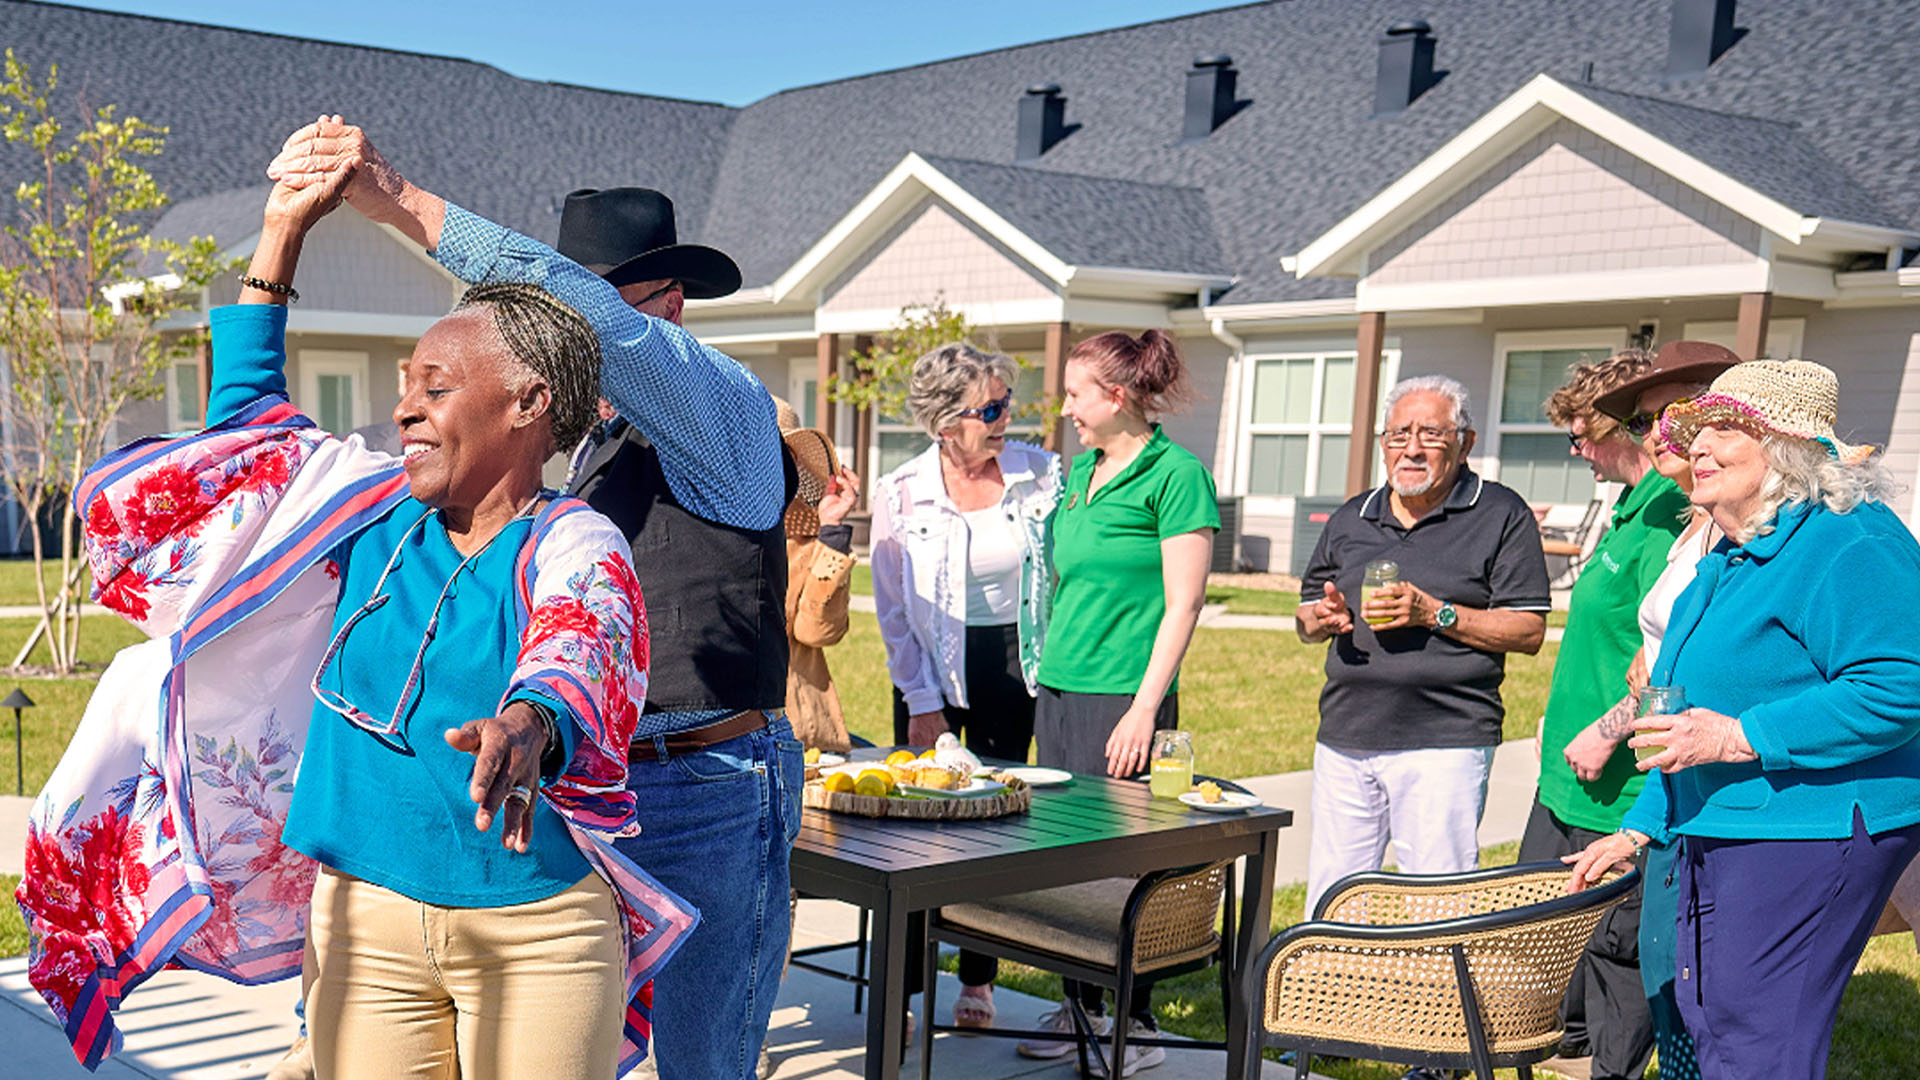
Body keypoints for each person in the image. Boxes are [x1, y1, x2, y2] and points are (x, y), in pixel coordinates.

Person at [20, 123, 696, 1078]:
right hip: (360, 923)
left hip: (536, 932)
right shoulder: (362, 518)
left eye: (436, 386)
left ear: (529, 403)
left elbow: (583, 639)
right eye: (402, 386)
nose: (405, 408)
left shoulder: (570, 541)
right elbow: (249, 436)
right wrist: (282, 229)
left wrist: (531, 725)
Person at [1567, 359, 1920, 1080]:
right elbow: (1677, 713)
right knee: (1704, 1023)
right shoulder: (1725, 557)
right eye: (1691, 429)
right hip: (1715, 824)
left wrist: (1739, 736)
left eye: (1723, 428)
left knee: (1759, 1037)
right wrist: (1640, 825)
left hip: (1808, 830)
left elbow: (1899, 685)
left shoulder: (1851, 541)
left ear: (1787, 447)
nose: (1693, 444)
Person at [533, 185, 804, 1078]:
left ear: (667, 308)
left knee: (705, 1062)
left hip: (707, 780)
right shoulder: (586, 443)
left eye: (587, 309)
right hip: (605, 784)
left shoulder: (717, 409)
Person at [1021, 329, 1217, 1075]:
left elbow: (1184, 604)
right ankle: (1079, 1007)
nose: (1066, 407)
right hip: (1063, 687)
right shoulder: (1084, 470)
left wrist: (1144, 708)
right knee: (1063, 855)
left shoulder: (1175, 475)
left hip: (1123, 696)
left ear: (1119, 395)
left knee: (1122, 863)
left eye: (1076, 394)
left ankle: (1136, 1024)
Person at [1518, 346, 1717, 1080]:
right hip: (1566, 769)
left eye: (1580, 434)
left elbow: (1674, 652)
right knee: (1551, 928)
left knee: (1615, 943)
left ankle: (1610, 1066)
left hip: (1619, 776)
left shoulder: (1672, 511)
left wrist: (1606, 731)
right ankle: (1568, 1048)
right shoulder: (1633, 510)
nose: (1577, 451)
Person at [1296, 375, 1550, 925]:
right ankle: (1332, 1005)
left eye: (1430, 434)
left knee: (1438, 905)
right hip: (1346, 735)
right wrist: (1321, 618)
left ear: (1465, 442)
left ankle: (1433, 1010)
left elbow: (1528, 631)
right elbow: (1306, 611)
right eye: (1398, 434)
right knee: (1335, 899)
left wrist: (1434, 613)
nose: (1410, 448)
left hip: (1445, 740)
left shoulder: (1501, 514)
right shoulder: (1352, 516)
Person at [869, 342, 1061, 1031]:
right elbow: (892, 612)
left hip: (1018, 663)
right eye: (991, 408)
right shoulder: (901, 491)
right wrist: (921, 703)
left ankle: (979, 980)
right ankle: (908, 986)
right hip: (931, 670)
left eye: (1008, 402)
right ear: (947, 423)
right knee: (920, 832)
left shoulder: (1043, 475)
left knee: (999, 826)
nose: (1007, 417)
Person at [776, 396, 860, 753]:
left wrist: (832, 530)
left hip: (802, 735)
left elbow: (818, 630)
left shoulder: (809, 541)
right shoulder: (703, 530)